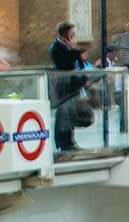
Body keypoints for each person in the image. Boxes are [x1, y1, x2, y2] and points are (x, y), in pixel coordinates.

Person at [49, 21, 82, 152]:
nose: (73, 35)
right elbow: (64, 63)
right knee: (64, 113)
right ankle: (63, 142)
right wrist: (74, 50)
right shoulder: (56, 47)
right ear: (66, 33)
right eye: (71, 32)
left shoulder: (66, 46)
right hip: (64, 83)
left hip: (72, 83)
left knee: (71, 113)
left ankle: (70, 140)